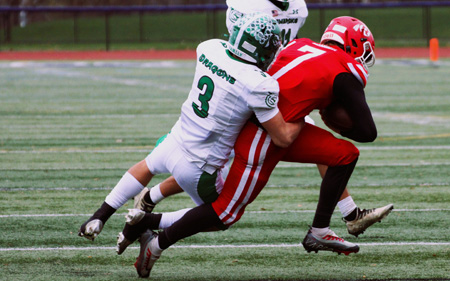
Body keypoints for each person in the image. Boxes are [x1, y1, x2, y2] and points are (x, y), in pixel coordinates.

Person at [125, 16, 390, 277]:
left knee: (344, 155)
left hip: (276, 125)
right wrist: (333, 120)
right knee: (225, 213)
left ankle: (319, 231)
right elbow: (368, 132)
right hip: (263, 134)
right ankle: (154, 239)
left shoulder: (301, 44)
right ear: (356, 45)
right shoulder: (344, 72)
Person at [78, 13, 304, 244]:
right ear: (258, 51)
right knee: (219, 217)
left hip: (173, 141)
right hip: (200, 168)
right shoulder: (259, 83)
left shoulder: (209, 48)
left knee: (146, 166)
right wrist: (304, 112)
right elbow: (283, 138)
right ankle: (147, 222)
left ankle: (99, 217)